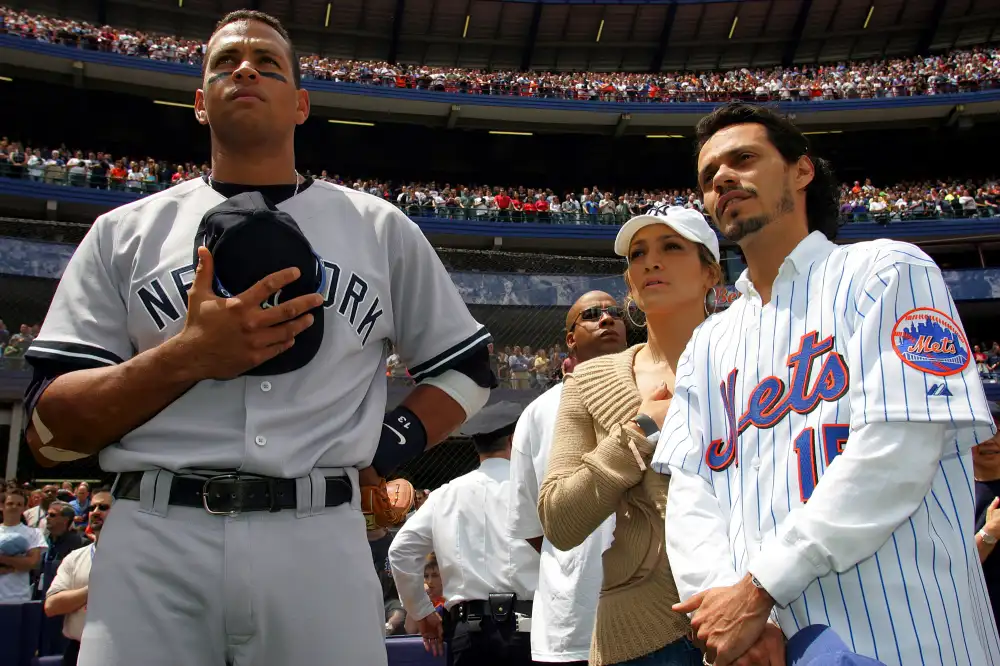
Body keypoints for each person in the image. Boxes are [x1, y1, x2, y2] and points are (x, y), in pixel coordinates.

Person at [21, 10, 493, 666]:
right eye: (226, 64)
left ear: (300, 104)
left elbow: (469, 368)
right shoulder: (123, 231)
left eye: (268, 63)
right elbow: (46, 433)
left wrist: (384, 451)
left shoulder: (378, 227)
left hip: (317, 536)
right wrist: (186, 357)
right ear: (199, 102)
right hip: (154, 538)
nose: (246, 69)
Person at [652, 102, 1000, 666]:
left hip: (907, 635)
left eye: (743, 158)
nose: (721, 178)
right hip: (764, 644)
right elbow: (691, 496)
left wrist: (758, 588)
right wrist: (729, 614)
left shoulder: (888, 270)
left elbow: (898, 450)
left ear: (801, 171)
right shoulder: (707, 344)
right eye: (708, 175)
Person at [538, 206, 722, 666]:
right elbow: (559, 521)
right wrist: (639, 432)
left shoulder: (763, 361)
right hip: (636, 636)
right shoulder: (589, 381)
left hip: (756, 617)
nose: (650, 261)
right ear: (630, 284)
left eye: (671, 247)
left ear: (711, 274)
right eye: (638, 253)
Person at [505, 290, 628, 665]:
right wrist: (577, 551)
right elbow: (531, 523)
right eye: (591, 314)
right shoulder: (538, 413)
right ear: (570, 338)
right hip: (572, 620)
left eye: (615, 312)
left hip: (656, 611)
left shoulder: (658, 394)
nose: (606, 319)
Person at [389, 402, 540, 666]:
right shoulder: (536, 488)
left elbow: (401, 551)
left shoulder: (446, 494)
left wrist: (423, 613)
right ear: (515, 440)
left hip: (469, 635)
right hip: (531, 629)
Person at [44, 488, 113, 666]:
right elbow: (52, 606)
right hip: (77, 649)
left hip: (118, 651)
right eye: (92, 508)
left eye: (103, 507)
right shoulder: (75, 557)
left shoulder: (136, 559)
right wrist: (92, 589)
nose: (95, 512)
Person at [974, 402, 1000, 622]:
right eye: (981, 432)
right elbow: (953, 568)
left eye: (997, 431)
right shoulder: (948, 494)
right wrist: (989, 533)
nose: (990, 439)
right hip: (979, 617)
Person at [0, 487, 46, 602]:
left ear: (25, 508)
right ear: (1, 506)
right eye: (10, 503)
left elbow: (31, 563)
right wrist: (17, 563)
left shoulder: (34, 533)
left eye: (19, 504)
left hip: (18, 598)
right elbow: (24, 562)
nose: (14, 507)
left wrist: (2, 559)